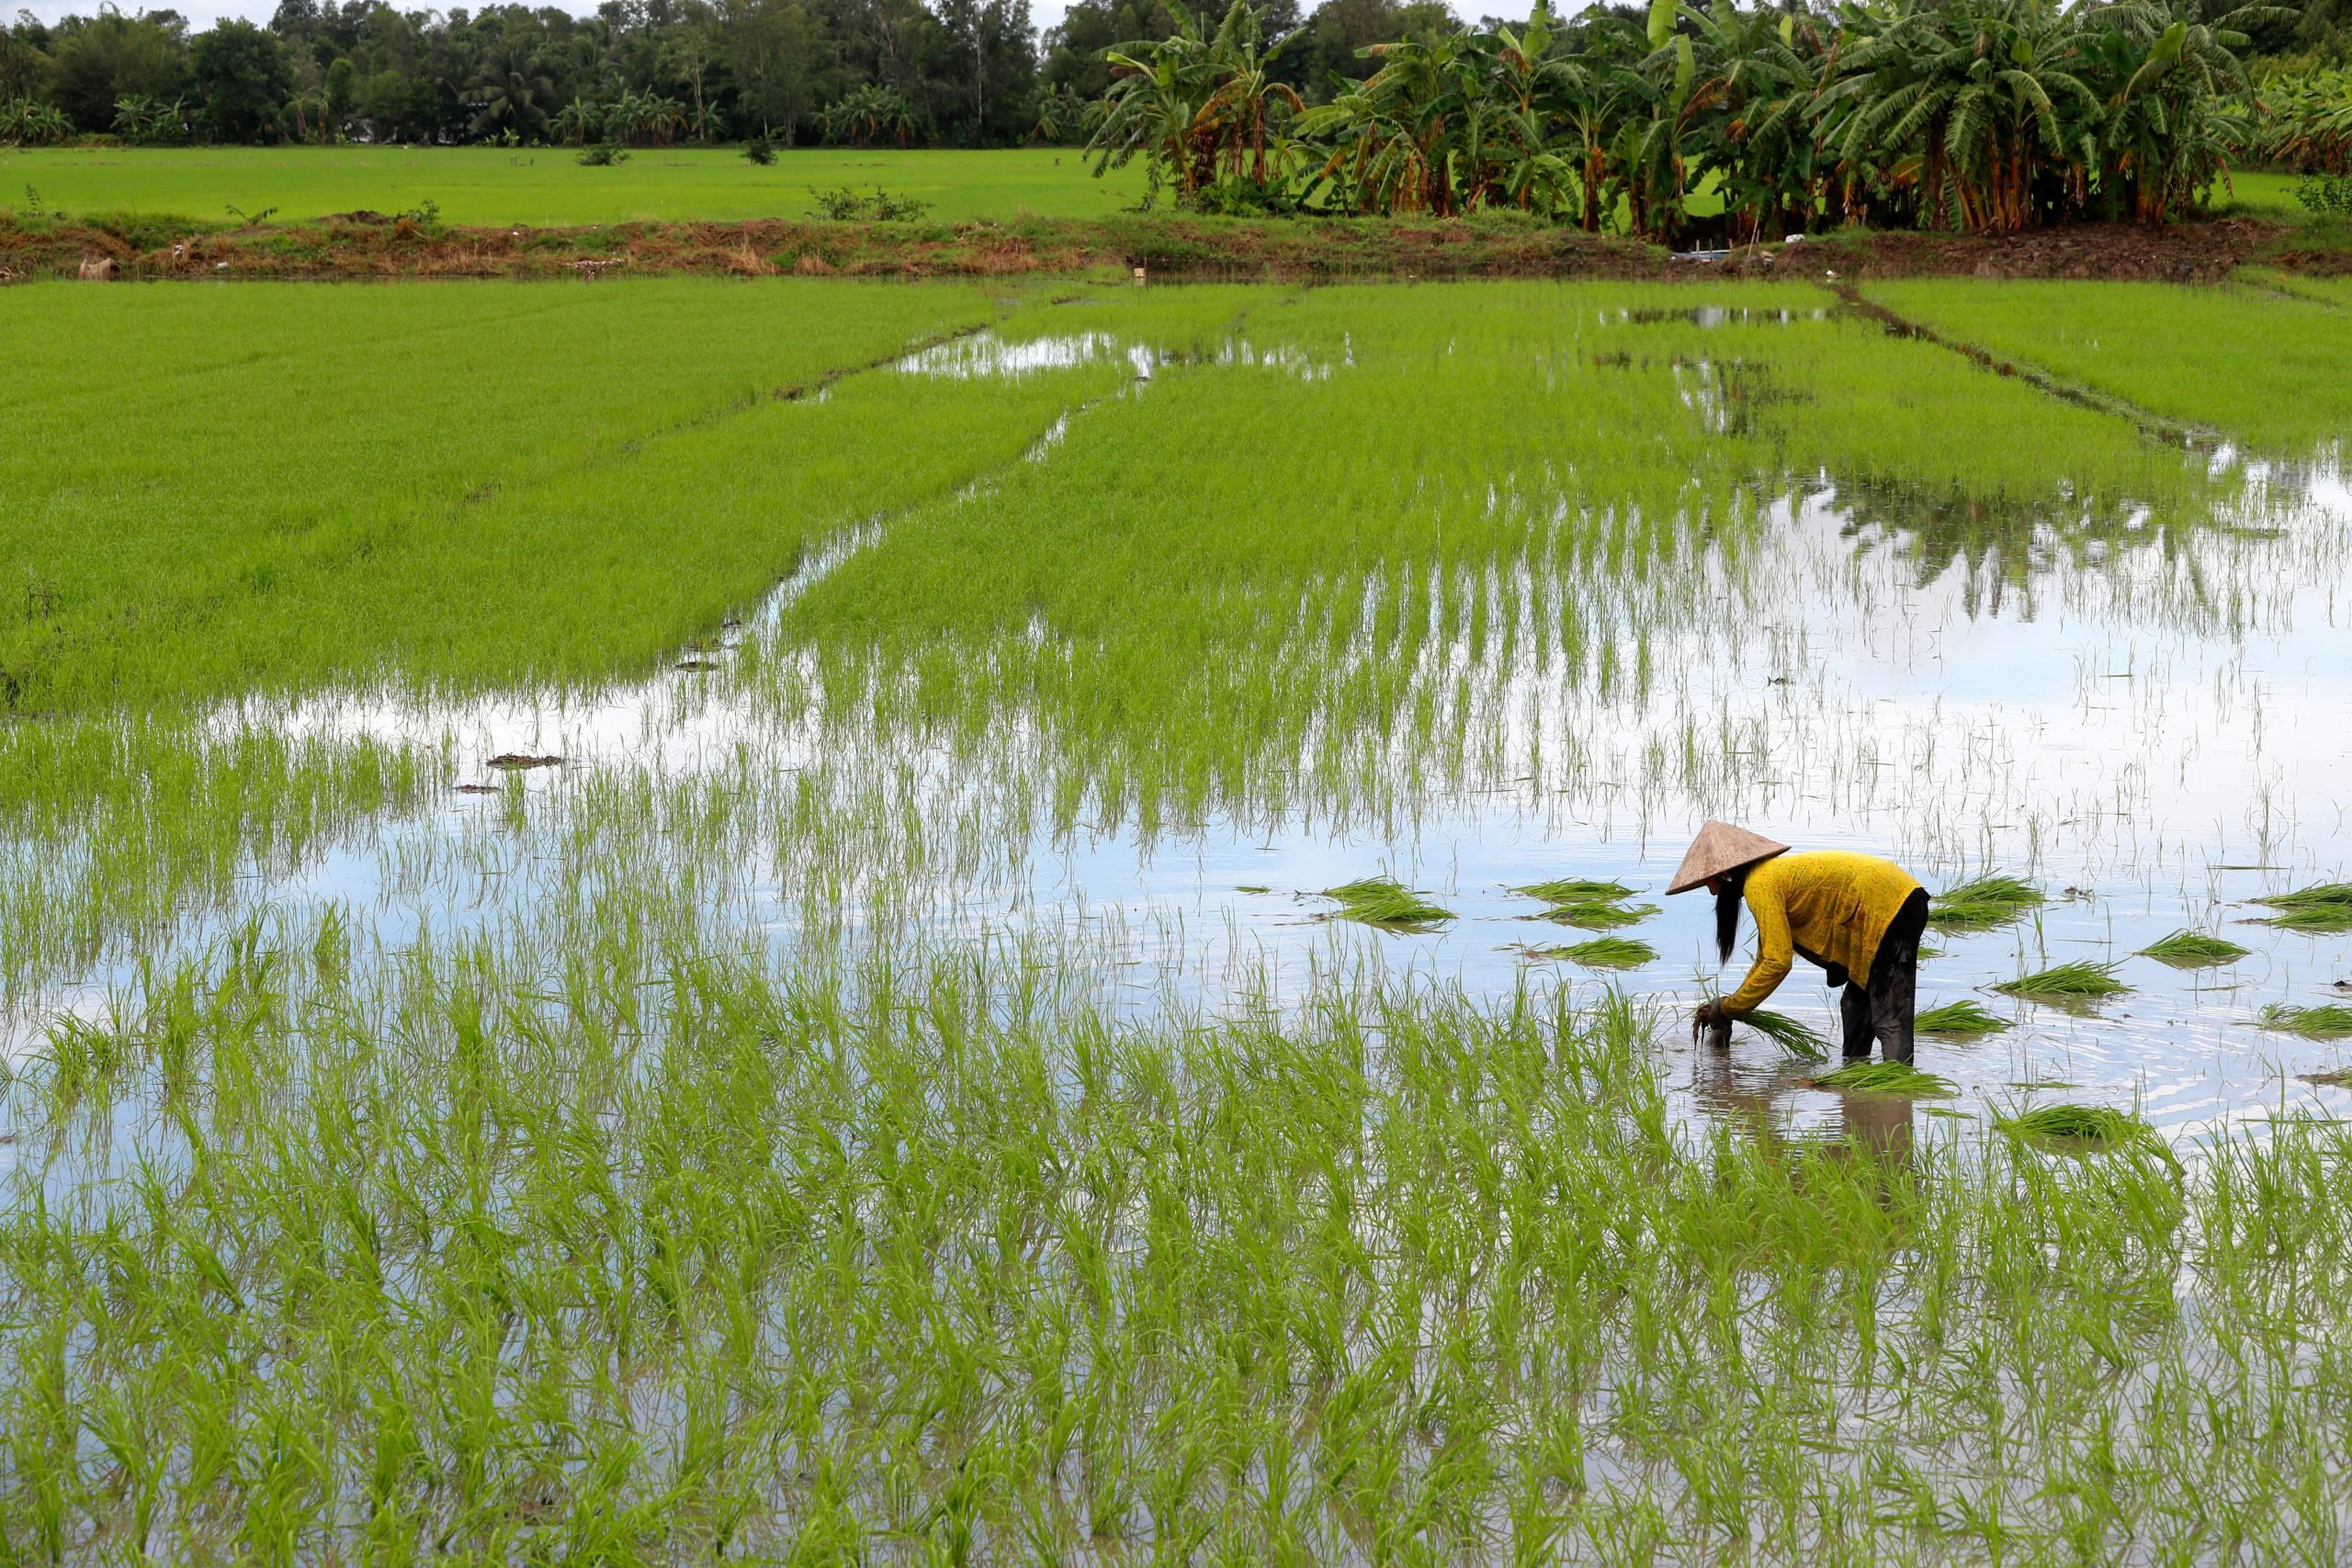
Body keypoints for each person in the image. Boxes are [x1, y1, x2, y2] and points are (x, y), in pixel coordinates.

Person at [1668, 820, 1929, 1064]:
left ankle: (1898, 1098)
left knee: (1889, 1016)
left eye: (1707, 879)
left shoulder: (1760, 884)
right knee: (1856, 1007)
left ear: (1724, 874)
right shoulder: (1766, 878)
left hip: (1889, 905)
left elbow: (1777, 963)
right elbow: (1766, 956)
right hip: (1887, 902)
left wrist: (1728, 1008)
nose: (1708, 887)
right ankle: (1855, 1087)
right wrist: (1729, 1007)